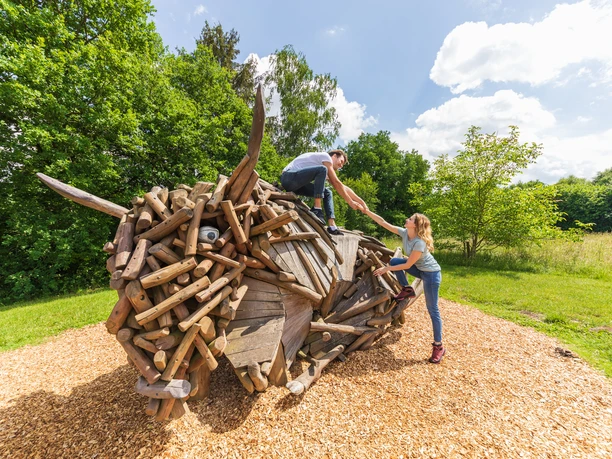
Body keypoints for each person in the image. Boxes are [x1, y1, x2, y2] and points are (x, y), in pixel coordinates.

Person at [361, 208, 445, 364]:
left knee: (433, 309)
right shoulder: (405, 233)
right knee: (394, 261)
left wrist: (386, 269)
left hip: (431, 275)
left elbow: (408, 264)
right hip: (420, 269)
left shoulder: (419, 243)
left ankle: (438, 346)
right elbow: (383, 222)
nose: (407, 219)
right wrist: (367, 211)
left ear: (416, 225)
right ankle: (407, 289)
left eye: (411, 218)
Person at [280, 149, 366, 235]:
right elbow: (336, 183)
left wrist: (361, 201)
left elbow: (341, 186)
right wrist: (350, 202)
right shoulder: (326, 157)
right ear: (334, 156)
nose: (341, 165)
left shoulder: (324, 169)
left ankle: (332, 226)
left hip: (297, 186)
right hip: (288, 178)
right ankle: (317, 209)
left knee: (328, 192)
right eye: (341, 161)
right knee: (322, 169)